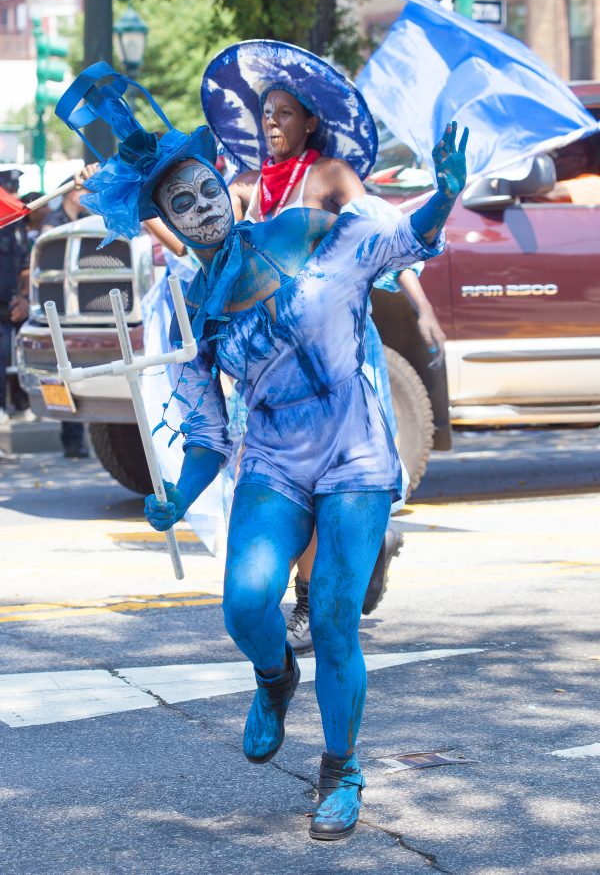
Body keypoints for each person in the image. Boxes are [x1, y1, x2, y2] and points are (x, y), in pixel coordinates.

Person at [57, 56, 467, 841]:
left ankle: (341, 772)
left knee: (336, 617)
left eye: (206, 188)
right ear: (172, 223)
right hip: (274, 460)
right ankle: (275, 678)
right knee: (246, 604)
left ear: (223, 182)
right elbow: (209, 430)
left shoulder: (299, 229)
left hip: (354, 450)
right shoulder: (197, 307)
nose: (201, 205)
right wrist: (177, 495)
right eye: (182, 203)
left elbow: (394, 243)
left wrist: (442, 197)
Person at [201, 41, 447, 650]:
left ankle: (313, 600)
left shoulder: (331, 176)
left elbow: (384, 237)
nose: (271, 124)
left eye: (283, 113)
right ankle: (347, 558)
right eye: (265, 114)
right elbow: (202, 243)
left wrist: (423, 309)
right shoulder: (245, 185)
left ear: (309, 121)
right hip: (266, 366)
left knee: (326, 477)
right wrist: (144, 197)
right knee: (270, 482)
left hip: (333, 355)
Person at [41, 180, 91, 457]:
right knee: (59, 376)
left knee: (78, 374)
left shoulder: (84, 221)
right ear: (72, 193)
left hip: (79, 312)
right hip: (55, 310)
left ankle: (76, 438)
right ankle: (70, 439)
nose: (89, 196)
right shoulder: (53, 224)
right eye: (85, 191)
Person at [0, 169, 29, 424]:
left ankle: (21, 403)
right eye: (9, 190)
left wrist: (23, 297)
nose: (14, 194)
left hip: (12, 302)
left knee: (19, 356)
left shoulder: (16, 222)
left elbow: (24, 265)